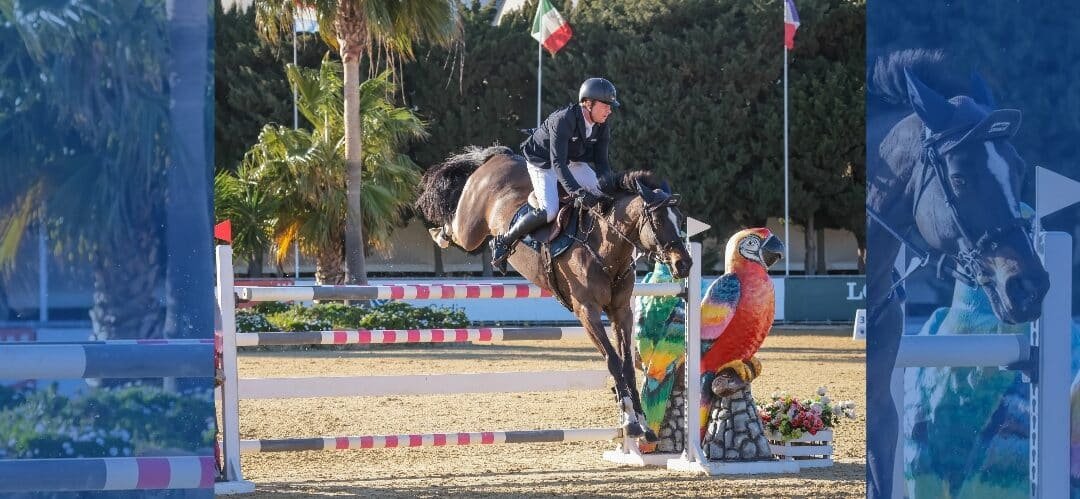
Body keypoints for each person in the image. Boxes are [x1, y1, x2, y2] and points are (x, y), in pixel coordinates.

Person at [490, 77, 620, 271]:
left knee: (603, 195)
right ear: (588, 103)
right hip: (542, 161)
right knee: (549, 210)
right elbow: (557, 163)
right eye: (606, 105)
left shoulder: (602, 126)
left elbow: (602, 163)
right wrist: (577, 192)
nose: (609, 110)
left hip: (571, 160)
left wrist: (609, 188)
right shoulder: (564, 119)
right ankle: (504, 241)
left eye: (611, 106)